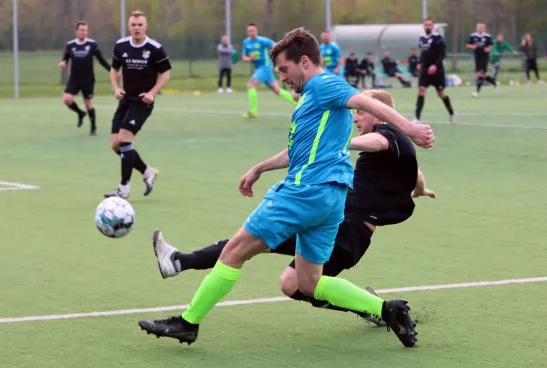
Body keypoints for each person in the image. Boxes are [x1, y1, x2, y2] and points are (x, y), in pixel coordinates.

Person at [137, 28, 435, 348]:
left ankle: (187, 322)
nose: (281, 77)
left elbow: (367, 101)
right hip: (331, 200)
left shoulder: (323, 84)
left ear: (304, 61)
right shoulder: (315, 101)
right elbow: (299, 151)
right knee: (308, 283)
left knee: (234, 251)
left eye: (284, 69)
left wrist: (410, 128)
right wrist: (259, 168)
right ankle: (386, 310)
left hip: (304, 193)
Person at [103, 10, 170, 199]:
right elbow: (114, 69)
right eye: (133, 25)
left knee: (124, 140)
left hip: (142, 101)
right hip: (125, 99)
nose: (137, 28)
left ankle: (123, 188)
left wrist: (152, 93)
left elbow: (165, 74)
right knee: (116, 145)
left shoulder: (155, 48)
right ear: (129, 26)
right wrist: (116, 88)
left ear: (146, 26)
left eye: (140, 24)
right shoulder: (121, 45)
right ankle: (148, 171)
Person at [58, 21, 111, 136]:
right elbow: (65, 58)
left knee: (88, 103)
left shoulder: (92, 44)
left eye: (86, 30)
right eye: (82, 30)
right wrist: (63, 63)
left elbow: (101, 60)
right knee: (67, 99)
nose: (84, 32)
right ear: (76, 31)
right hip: (74, 79)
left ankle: (93, 128)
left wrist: (112, 71)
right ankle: (80, 113)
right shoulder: (70, 45)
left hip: (88, 79)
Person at [241, 23, 298, 118]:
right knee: (277, 90)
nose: (251, 32)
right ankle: (300, 105)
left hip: (265, 67)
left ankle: (253, 112)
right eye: (249, 31)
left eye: (253, 30)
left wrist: (286, 49)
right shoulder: (246, 42)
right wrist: (249, 58)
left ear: (256, 31)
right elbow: (244, 57)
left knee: (250, 85)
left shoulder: (262, 40)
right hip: (260, 69)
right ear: (247, 32)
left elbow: (275, 45)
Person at [414, 17, 455, 124]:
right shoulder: (422, 38)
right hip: (425, 69)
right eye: (426, 25)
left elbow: (443, 54)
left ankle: (451, 112)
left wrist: (435, 65)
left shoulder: (438, 38)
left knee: (441, 93)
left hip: (437, 70)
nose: (427, 26)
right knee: (421, 90)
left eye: (429, 25)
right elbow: (423, 53)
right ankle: (417, 118)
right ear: (423, 26)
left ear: (433, 26)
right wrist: (419, 62)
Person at [466, 23, 497, 97]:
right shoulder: (473, 35)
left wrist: (488, 49)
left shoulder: (487, 36)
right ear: (477, 28)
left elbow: (493, 44)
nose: (480, 29)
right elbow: (467, 44)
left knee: (480, 74)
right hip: (477, 57)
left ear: (484, 29)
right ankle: (493, 83)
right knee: (479, 74)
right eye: (479, 27)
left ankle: (477, 92)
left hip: (484, 57)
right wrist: (472, 46)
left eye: (482, 27)